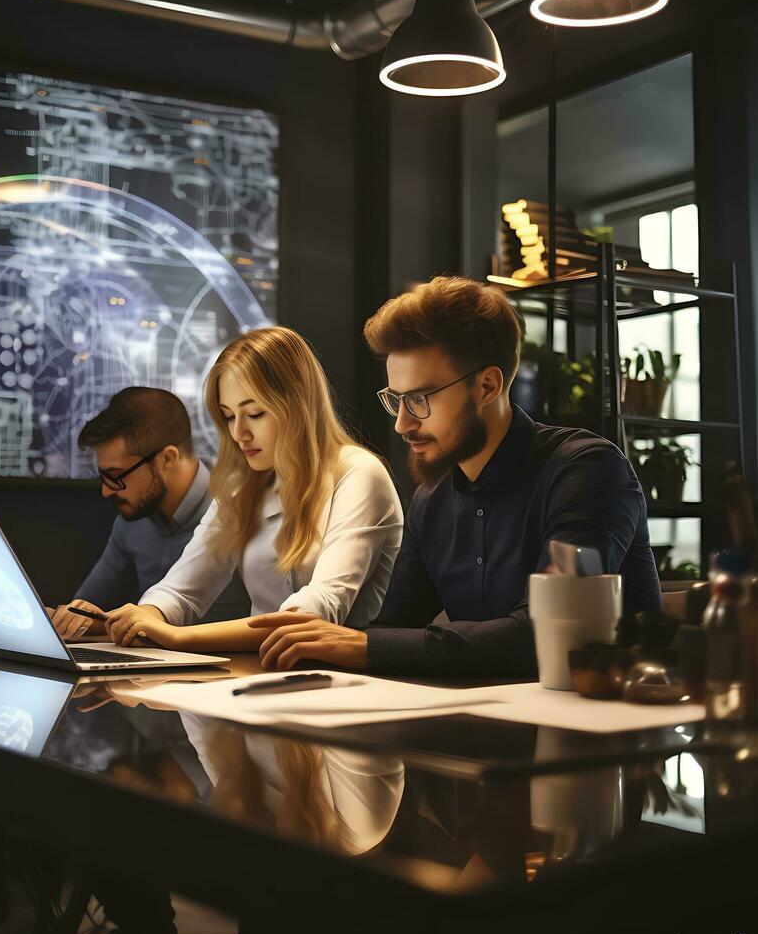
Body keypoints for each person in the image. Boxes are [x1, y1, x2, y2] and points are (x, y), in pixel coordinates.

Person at [253, 275, 662, 677]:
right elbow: (394, 630)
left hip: (613, 727)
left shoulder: (588, 471)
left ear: (487, 385)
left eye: (419, 399)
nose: (402, 424)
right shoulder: (431, 499)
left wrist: (361, 646)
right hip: (493, 727)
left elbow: (544, 634)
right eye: (396, 400)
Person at [99, 325, 404, 651]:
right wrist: (144, 615)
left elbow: (315, 614)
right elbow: (181, 590)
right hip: (259, 676)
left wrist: (176, 636)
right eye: (229, 417)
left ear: (297, 406)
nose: (239, 432)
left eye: (254, 413)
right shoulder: (242, 486)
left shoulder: (359, 474)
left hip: (348, 685)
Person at [50, 387, 248, 640]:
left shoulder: (239, 509)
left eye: (116, 477)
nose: (106, 492)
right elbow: (90, 608)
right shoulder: (132, 522)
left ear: (167, 459)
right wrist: (77, 619)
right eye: (102, 477)